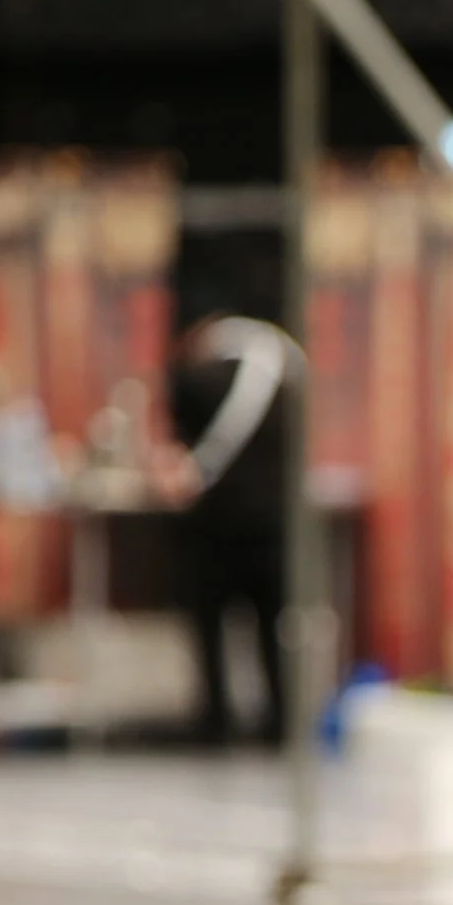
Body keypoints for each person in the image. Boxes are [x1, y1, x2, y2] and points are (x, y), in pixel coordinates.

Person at [154, 313, 299, 747]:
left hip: (216, 524)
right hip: (273, 522)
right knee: (272, 626)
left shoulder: (194, 378)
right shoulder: (286, 373)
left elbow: (182, 452)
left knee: (211, 625)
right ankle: (280, 720)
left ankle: (214, 719)